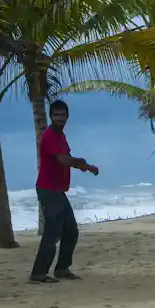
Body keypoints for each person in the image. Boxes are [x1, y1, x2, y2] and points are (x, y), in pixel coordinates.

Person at [30, 99, 98, 284]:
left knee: (71, 231)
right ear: (51, 116)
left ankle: (62, 269)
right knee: (53, 232)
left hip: (58, 190)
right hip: (48, 189)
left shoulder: (61, 136)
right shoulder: (50, 135)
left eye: (63, 115)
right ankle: (38, 273)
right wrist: (81, 161)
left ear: (67, 116)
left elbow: (67, 158)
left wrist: (87, 166)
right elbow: (64, 160)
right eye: (56, 115)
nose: (60, 118)